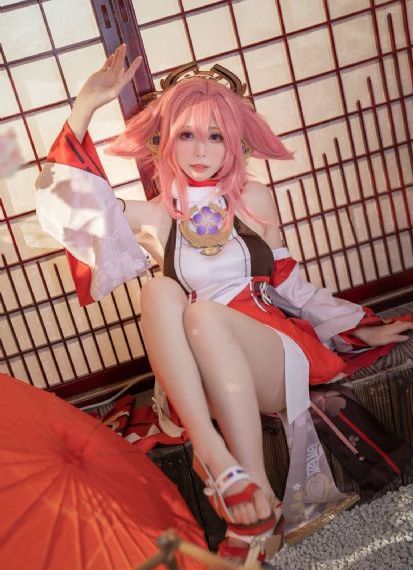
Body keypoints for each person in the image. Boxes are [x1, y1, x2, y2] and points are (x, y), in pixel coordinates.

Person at [35, 45, 413, 566]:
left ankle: (245, 482)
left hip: (269, 356)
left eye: (215, 136)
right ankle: (222, 465)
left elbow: (290, 284)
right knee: (158, 290)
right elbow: (67, 208)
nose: (201, 150)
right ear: (164, 140)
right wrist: (85, 107)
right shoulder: (156, 217)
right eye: (186, 134)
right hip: (201, 378)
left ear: (235, 142)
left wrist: (358, 326)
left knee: (202, 312)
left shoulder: (253, 201)